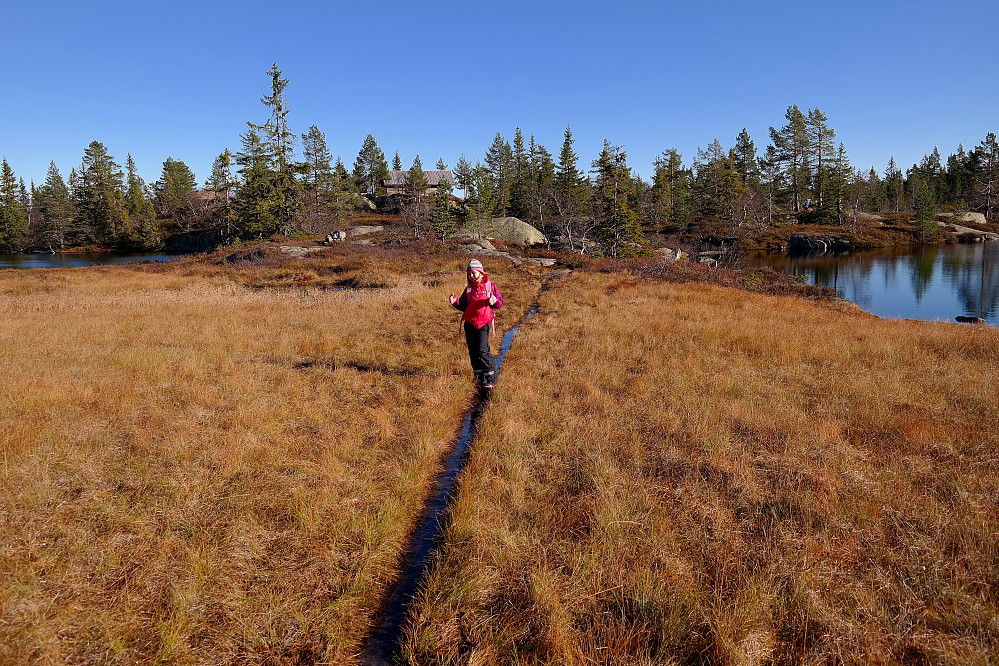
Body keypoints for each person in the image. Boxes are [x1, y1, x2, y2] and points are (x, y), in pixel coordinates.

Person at [449, 259, 503, 389]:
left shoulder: (490, 286)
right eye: (469, 274)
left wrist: (494, 301)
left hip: (483, 323)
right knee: (473, 352)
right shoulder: (468, 290)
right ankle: (479, 377)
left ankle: (491, 378)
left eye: (474, 273)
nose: (471, 276)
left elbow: (499, 303)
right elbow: (463, 306)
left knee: (483, 351)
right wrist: (455, 302)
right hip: (469, 323)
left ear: (480, 272)